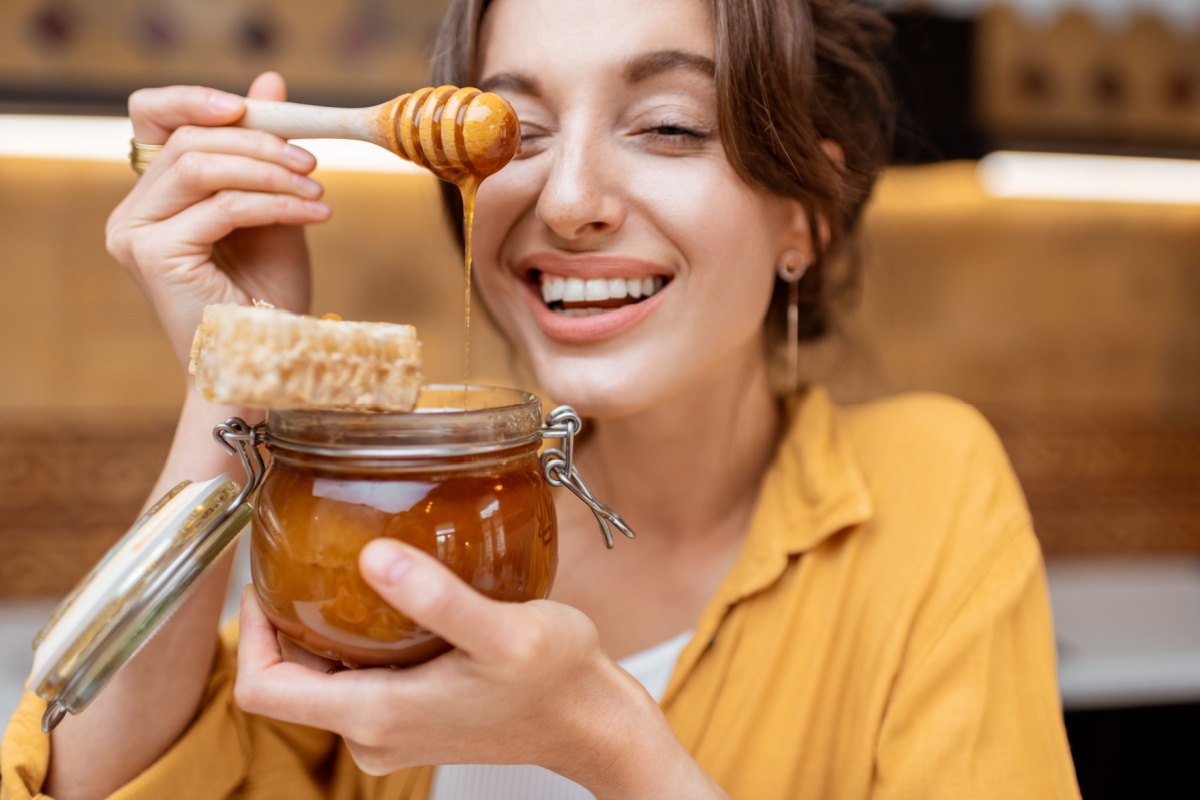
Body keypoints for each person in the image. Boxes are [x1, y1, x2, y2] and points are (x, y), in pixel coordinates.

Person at [1, 0, 1082, 797]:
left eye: (666, 125)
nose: (567, 202)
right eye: (514, 134)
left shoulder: (929, 487)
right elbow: (92, 774)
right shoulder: (416, 508)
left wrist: (605, 741)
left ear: (805, 212)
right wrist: (239, 362)